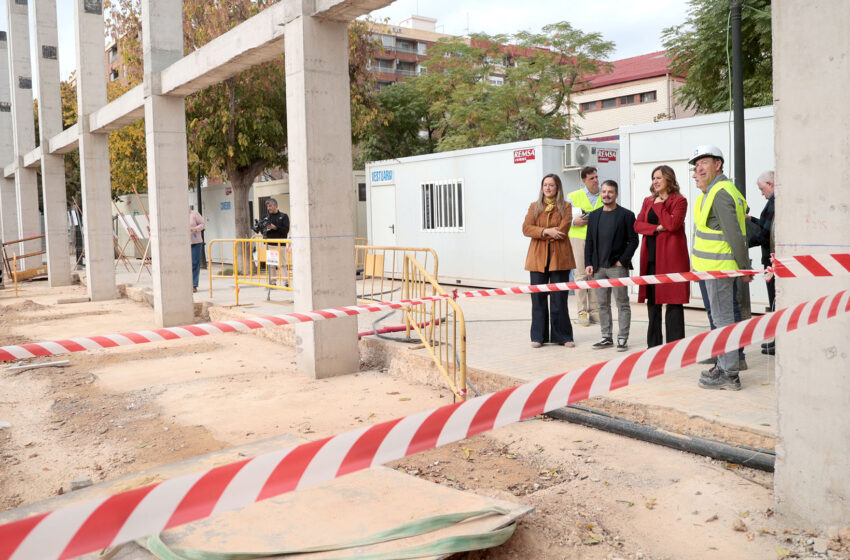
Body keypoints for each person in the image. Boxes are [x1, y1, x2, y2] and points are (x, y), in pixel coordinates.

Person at [689, 145, 752, 391]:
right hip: (713, 267)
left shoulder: (720, 193)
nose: (698, 170)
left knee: (723, 320)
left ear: (718, 165)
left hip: (718, 267)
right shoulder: (717, 191)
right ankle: (724, 366)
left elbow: (734, 233)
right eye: (696, 166)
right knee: (721, 318)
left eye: (703, 163)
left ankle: (729, 374)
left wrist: (744, 267)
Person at [633, 165, 690, 347]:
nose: (655, 181)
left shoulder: (679, 201)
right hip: (651, 259)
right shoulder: (648, 200)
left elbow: (673, 225)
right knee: (653, 304)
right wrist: (657, 228)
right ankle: (654, 347)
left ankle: (675, 347)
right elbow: (637, 225)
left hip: (672, 259)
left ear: (669, 179)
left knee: (674, 303)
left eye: (659, 178)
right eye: (653, 178)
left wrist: (660, 207)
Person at [522, 173, 576, 348]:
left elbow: (563, 230)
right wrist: (546, 232)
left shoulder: (566, 206)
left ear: (557, 187)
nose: (548, 188)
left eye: (551, 185)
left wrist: (543, 232)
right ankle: (538, 336)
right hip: (537, 258)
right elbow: (526, 228)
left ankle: (563, 336)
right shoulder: (534, 206)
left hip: (560, 257)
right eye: (545, 185)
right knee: (538, 298)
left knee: (559, 298)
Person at [584, 180, 639, 352]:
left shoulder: (626, 215)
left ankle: (622, 338)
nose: (606, 195)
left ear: (616, 194)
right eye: (604, 192)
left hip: (617, 267)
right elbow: (589, 241)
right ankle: (606, 337)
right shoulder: (594, 215)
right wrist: (588, 263)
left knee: (622, 303)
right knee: (602, 304)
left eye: (610, 192)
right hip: (598, 268)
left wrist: (622, 261)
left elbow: (633, 241)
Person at [566, 166, 603, 326]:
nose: (595, 180)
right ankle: (581, 312)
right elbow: (563, 217)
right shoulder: (573, 196)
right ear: (583, 181)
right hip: (579, 238)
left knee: (595, 274)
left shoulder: (604, 194)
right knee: (580, 274)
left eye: (596, 177)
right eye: (591, 178)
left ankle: (594, 311)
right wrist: (574, 221)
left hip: (599, 240)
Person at [747, 170, 776, 354]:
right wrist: (752, 219)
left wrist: (745, 243)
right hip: (773, 259)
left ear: (770, 184)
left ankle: (779, 341)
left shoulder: (774, 201)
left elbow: (765, 234)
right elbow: (766, 226)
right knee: (775, 301)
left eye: (761, 189)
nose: (761, 193)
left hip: (772, 261)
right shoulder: (775, 201)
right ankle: (777, 339)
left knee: (775, 301)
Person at [262, 198, 290, 284]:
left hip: (281, 244)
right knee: (271, 264)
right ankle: (273, 281)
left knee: (283, 264)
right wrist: (263, 228)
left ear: (276, 205)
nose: (268, 208)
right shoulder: (265, 217)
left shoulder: (284, 216)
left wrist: (275, 227)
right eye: (267, 206)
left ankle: (286, 282)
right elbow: (262, 231)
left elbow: (286, 230)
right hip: (270, 244)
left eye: (270, 206)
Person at [189, 207, 206, 293]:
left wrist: (195, 229)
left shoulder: (194, 213)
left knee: (195, 263)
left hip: (195, 242)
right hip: (183, 243)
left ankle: (194, 285)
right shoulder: (177, 215)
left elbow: (203, 224)